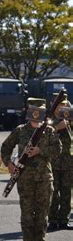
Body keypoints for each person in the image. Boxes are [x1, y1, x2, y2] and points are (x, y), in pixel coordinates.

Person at [0, 98, 61, 241]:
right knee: (27, 211)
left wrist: (41, 151)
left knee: (42, 211)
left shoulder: (49, 130)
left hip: (45, 178)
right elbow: (5, 147)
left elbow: (57, 151)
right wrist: (9, 163)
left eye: (40, 111)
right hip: (25, 178)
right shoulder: (20, 130)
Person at [48, 93, 72, 230]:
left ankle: (64, 220)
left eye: (64, 105)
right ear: (53, 104)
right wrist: (57, 127)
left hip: (68, 161)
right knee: (53, 192)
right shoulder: (48, 119)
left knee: (66, 191)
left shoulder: (70, 118)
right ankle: (52, 220)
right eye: (59, 105)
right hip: (53, 161)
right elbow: (43, 136)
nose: (62, 107)